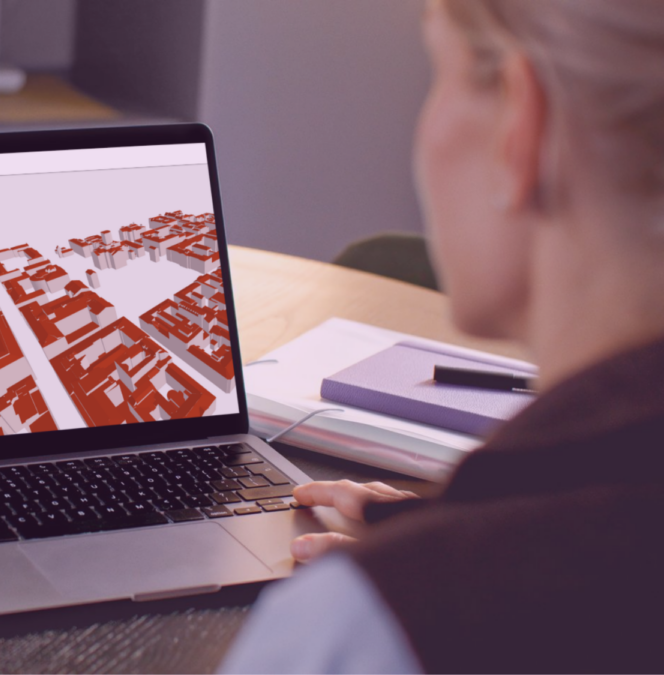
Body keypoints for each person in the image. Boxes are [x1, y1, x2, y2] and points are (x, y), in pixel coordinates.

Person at [220, 0, 664, 672]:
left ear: (521, 125)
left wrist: (431, 561)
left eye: (440, 76)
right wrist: (454, 526)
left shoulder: (370, 632)